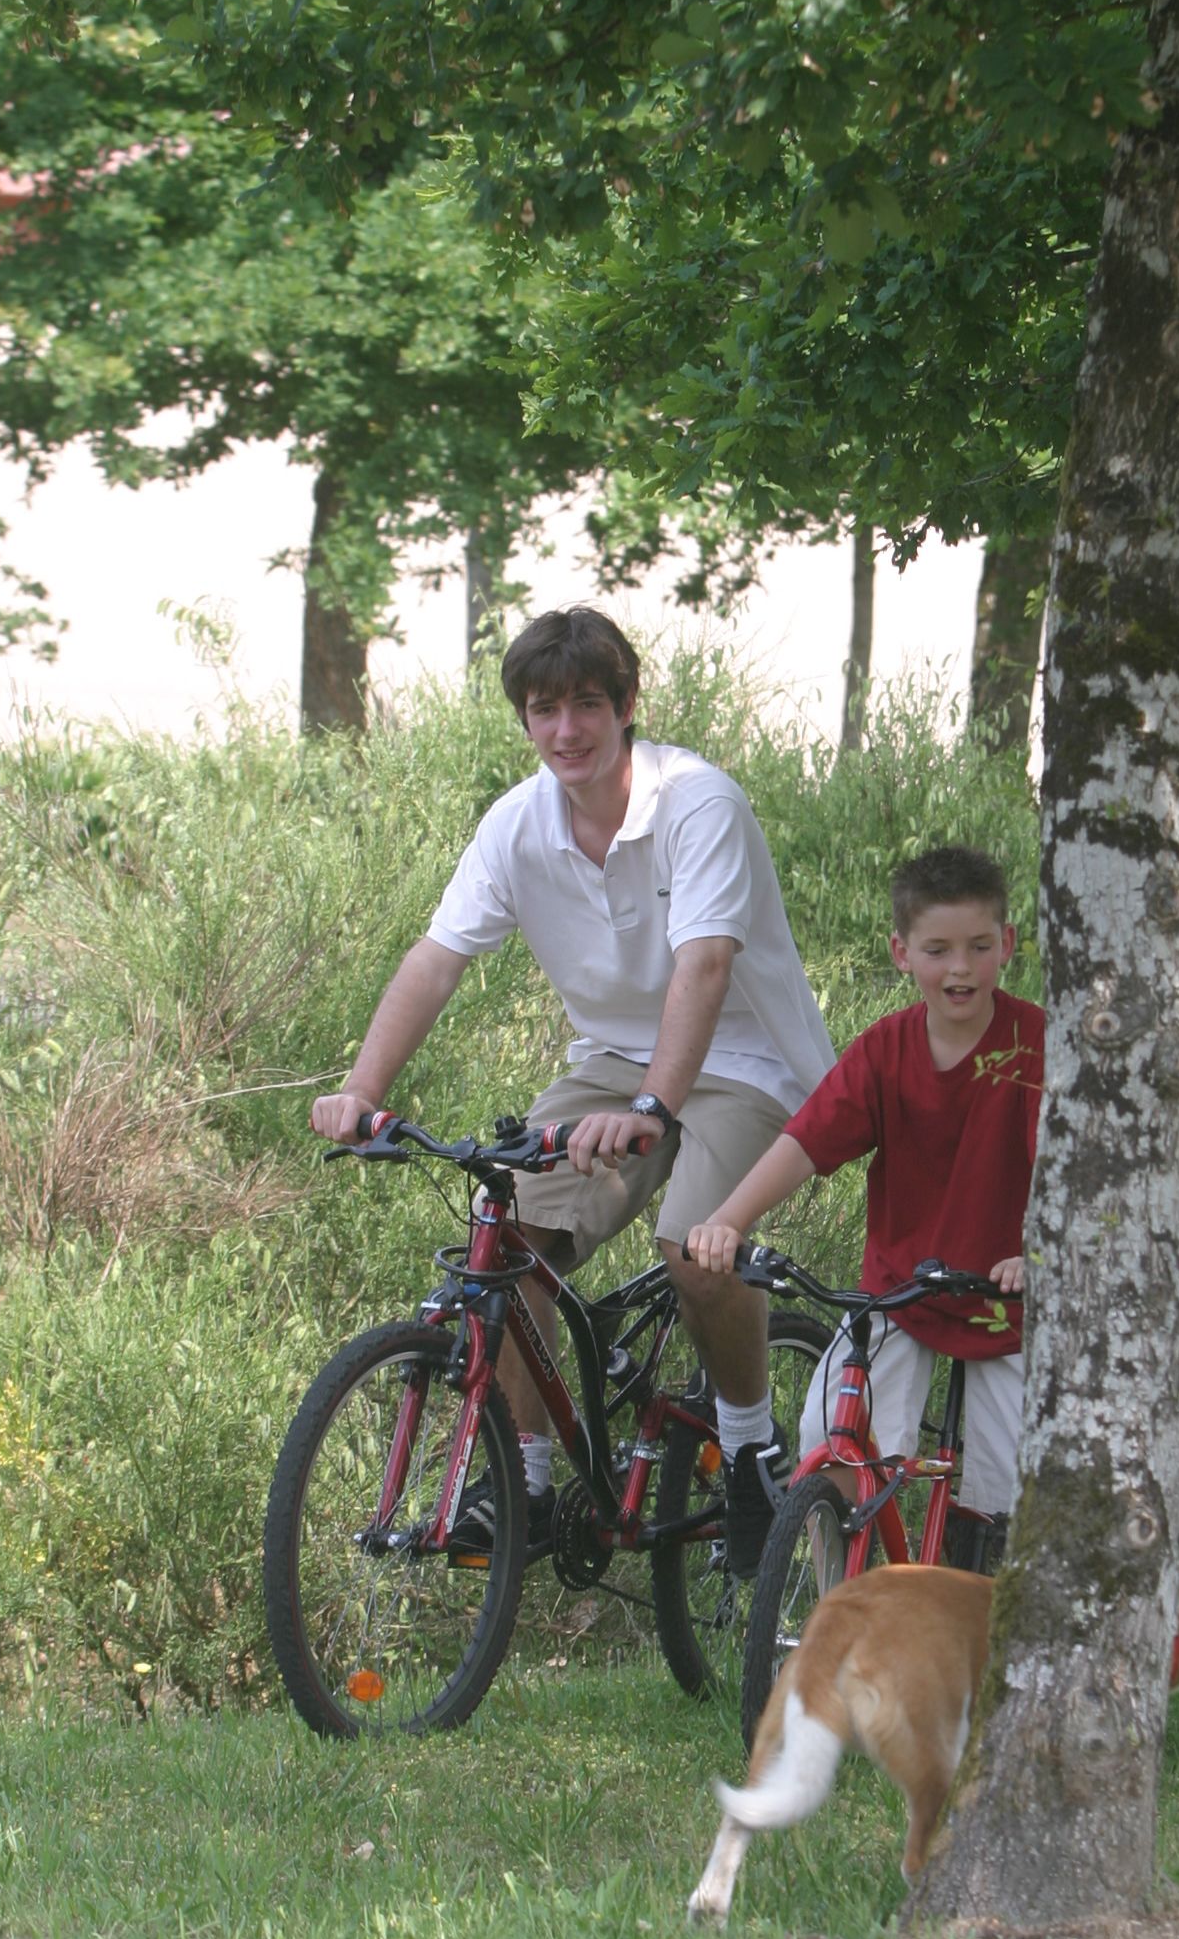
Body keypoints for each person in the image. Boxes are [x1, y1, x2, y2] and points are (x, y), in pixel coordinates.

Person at [311, 607, 835, 1574]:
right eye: (543, 709)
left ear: (628, 705)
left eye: (587, 704)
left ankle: (756, 1448)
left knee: (693, 1247)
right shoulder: (517, 825)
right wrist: (360, 1091)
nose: (566, 730)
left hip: (742, 1062)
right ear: (523, 721)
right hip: (610, 1065)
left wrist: (650, 1110)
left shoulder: (697, 803)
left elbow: (706, 967)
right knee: (502, 1245)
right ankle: (531, 1480)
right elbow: (435, 960)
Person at [683, 843, 1042, 1561]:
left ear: (1007, 944)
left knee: (1008, 1490)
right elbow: (805, 1141)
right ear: (901, 952)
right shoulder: (885, 1049)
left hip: (1010, 1301)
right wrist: (727, 1218)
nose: (960, 968)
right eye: (937, 949)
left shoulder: (1037, 1046)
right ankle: (834, 1617)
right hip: (904, 1291)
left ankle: (985, 1626)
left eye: (978, 946)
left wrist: (1041, 1254)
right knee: (829, 1440)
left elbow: (1071, 1174)